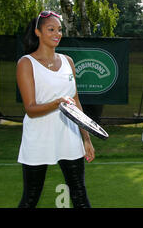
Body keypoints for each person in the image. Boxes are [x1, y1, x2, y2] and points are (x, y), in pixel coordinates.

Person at [16, 10, 95, 208]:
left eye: (59, 30)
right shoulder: (26, 63)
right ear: (38, 32)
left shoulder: (68, 61)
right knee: (30, 199)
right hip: (38, 137)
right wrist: (57, 103)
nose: (57, 34)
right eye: (51, 29)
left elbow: (75, 102)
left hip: (69, 135)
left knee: (80, 197)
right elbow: (31, 109)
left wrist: (86, 138)